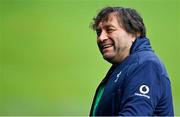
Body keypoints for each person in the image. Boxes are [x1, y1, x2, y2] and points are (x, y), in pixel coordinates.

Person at [89, 6, 174, 116]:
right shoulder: (123, 67)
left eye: (110, 30)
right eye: (98, 32)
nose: (101, 38)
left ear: (134, 33)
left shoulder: (146, 65)